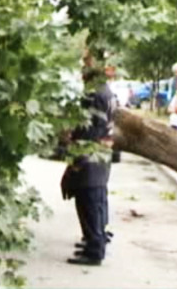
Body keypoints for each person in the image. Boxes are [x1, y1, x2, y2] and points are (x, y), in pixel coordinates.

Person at [60, 66, 115, 266]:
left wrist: (76, 152)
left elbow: (90, 128)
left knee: (89, 201)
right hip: (101, 153)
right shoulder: (106, 92)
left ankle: (94, 249)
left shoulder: (94, 95)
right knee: (97, 200)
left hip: (90, 154)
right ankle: (95, 240)